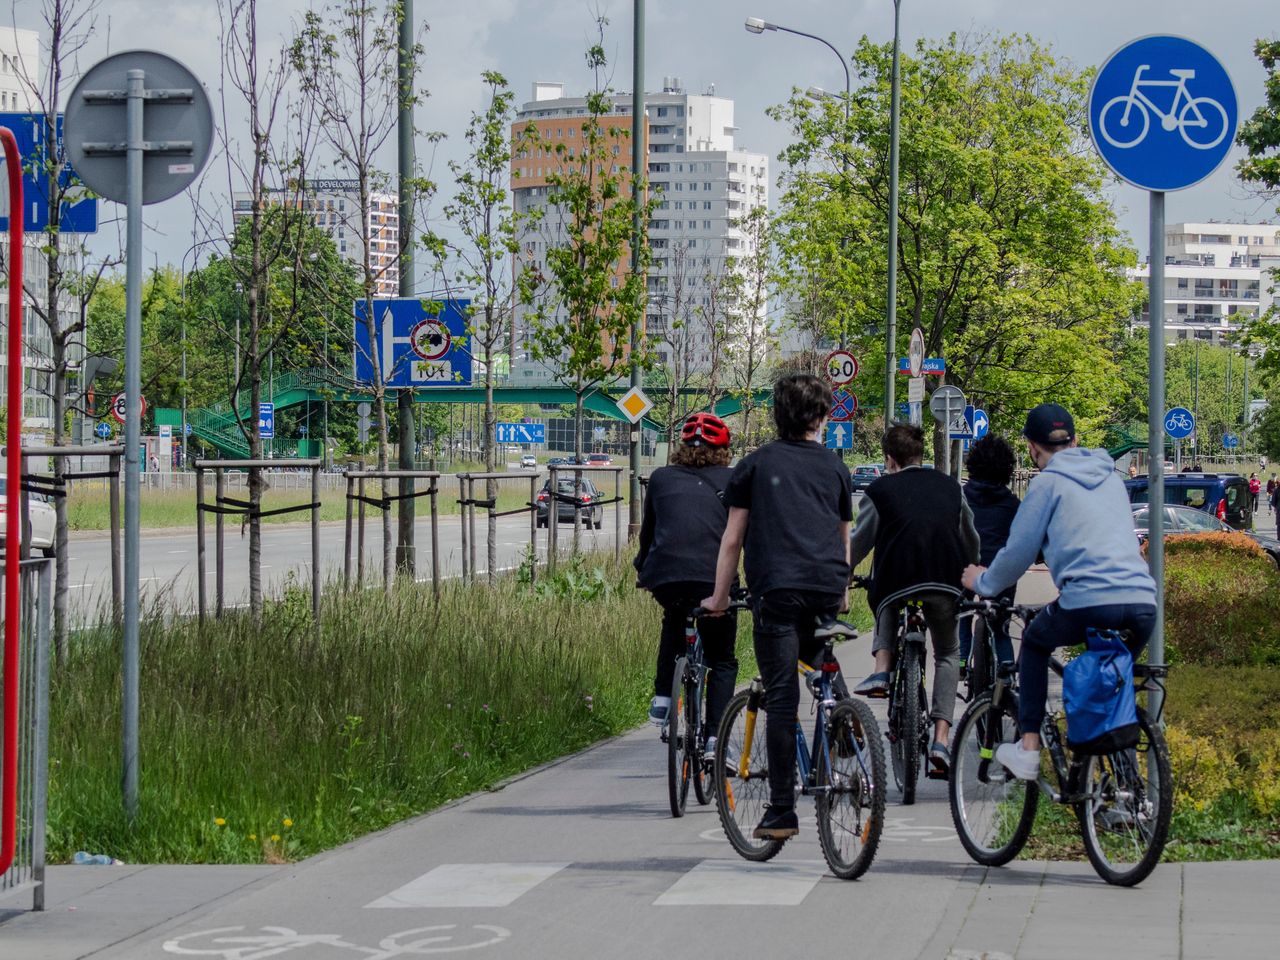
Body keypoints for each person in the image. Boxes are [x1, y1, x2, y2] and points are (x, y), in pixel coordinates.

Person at [962, 403, 1157, 780]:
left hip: (1088, 601)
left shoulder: (1046, 484)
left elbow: (1018, 552)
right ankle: (1121, 784)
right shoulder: (1112, 478)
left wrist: (982, 582)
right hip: (1142, 603)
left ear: (1033, 449)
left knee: (1034, 644)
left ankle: (1029, 747)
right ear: (1076, 440)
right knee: (1111, 684)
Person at [702, 373, 855, 840]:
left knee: (783, 696)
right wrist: (843, 591)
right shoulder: (835, 467)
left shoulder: (754, 465)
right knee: (817, 652)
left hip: (778, 590)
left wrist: (720, 597)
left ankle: (782, 810)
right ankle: (845, 718)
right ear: (819, 418)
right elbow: (842, 532)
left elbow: (732, 540)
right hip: (827, 585)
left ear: (778, 415)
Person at [849, 423, 979, 778]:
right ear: (921, 455)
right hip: (944, 578)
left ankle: (881, 672)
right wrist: (974, 571)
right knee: (949, 654)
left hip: (897, 579)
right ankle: (941, 740)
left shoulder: (879, 489)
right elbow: (969, 535)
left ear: (889, 459)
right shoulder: (952, 487)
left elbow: (861, 542)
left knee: (887, 594)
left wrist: (843, 575)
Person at [634, 413, 738, 754]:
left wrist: (642, 569)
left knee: (674, 621)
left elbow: (649, 534)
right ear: (723, 450)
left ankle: (663, 696)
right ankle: (713, 739)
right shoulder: (735, 480)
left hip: (667, 578)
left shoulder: (661, 478)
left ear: (681, 447)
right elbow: (741, 537)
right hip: (714, 581)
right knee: (721, 659)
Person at [957, 435, 1020, 676]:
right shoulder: (1013, 505)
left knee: (961, 614)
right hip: (1000, 573)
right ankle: (1007, 678)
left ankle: (962, 660)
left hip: (963, 569)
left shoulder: (959, 498)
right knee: (1001, 627)